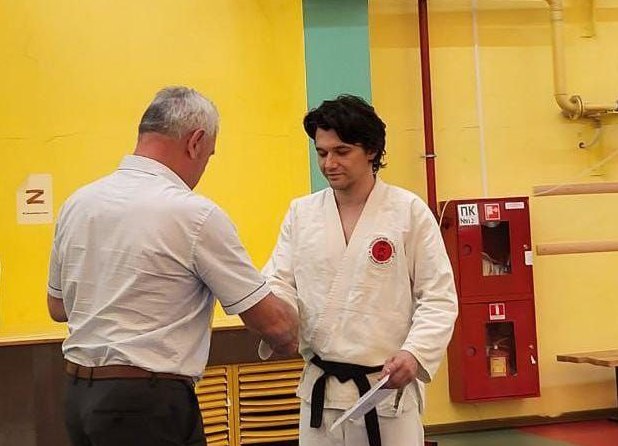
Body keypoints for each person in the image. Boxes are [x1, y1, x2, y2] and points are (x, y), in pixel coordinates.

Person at [47, 86, 299, 446]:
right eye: (209, 155)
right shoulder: (194, 214)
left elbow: (58, 307)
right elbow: (274, 325)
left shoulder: (78, 203)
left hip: (78, 395)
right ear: (195, 142)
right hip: (145, 402)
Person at [262, 95, 458, 446]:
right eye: (322, 153)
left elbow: (438, 297)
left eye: (341, 151)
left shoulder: (407, 212)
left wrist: (415, 353)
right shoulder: (302, 214)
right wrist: (280, 322)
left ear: (371, 150)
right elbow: (279, 282)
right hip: (320, 395)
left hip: (385, 390)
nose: (329, 163)